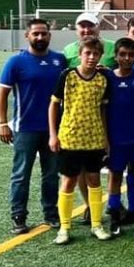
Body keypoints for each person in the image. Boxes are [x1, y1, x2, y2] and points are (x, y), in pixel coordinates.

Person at [0, 18, 66, 234]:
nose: (40, 37)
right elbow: (2, 94)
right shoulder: (15, 62)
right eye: (35, 33)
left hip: (53, 129)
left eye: (43, 33)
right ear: (27, 36)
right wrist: (2, 123)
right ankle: (18, 216)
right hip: (25, 128)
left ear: (49, 36)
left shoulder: (60, 60)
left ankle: (51, 213)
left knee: (51, 173)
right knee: (20, 174)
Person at [48, 37, 112, 244]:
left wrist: (105, 138)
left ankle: (96, 225)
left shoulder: (103, 79)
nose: (92, 57)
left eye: (96, 54)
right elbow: (53, 105)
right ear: (80, 55)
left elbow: (103, 110)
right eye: (88, 53)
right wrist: (53, 134)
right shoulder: (67, 76)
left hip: (93, 138)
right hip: (70, 137)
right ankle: (65, 228)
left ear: (100, 56)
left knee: (94, 180)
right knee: (68, 181)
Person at [104, 38, 134, 236]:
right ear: (115, 56)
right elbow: (103, 111)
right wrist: (106, 140)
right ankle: (115, 219)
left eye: (131, 55)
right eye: (122, 54)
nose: (127, 58)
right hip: (116, 139)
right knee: (115, 177)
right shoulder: (108, 78)